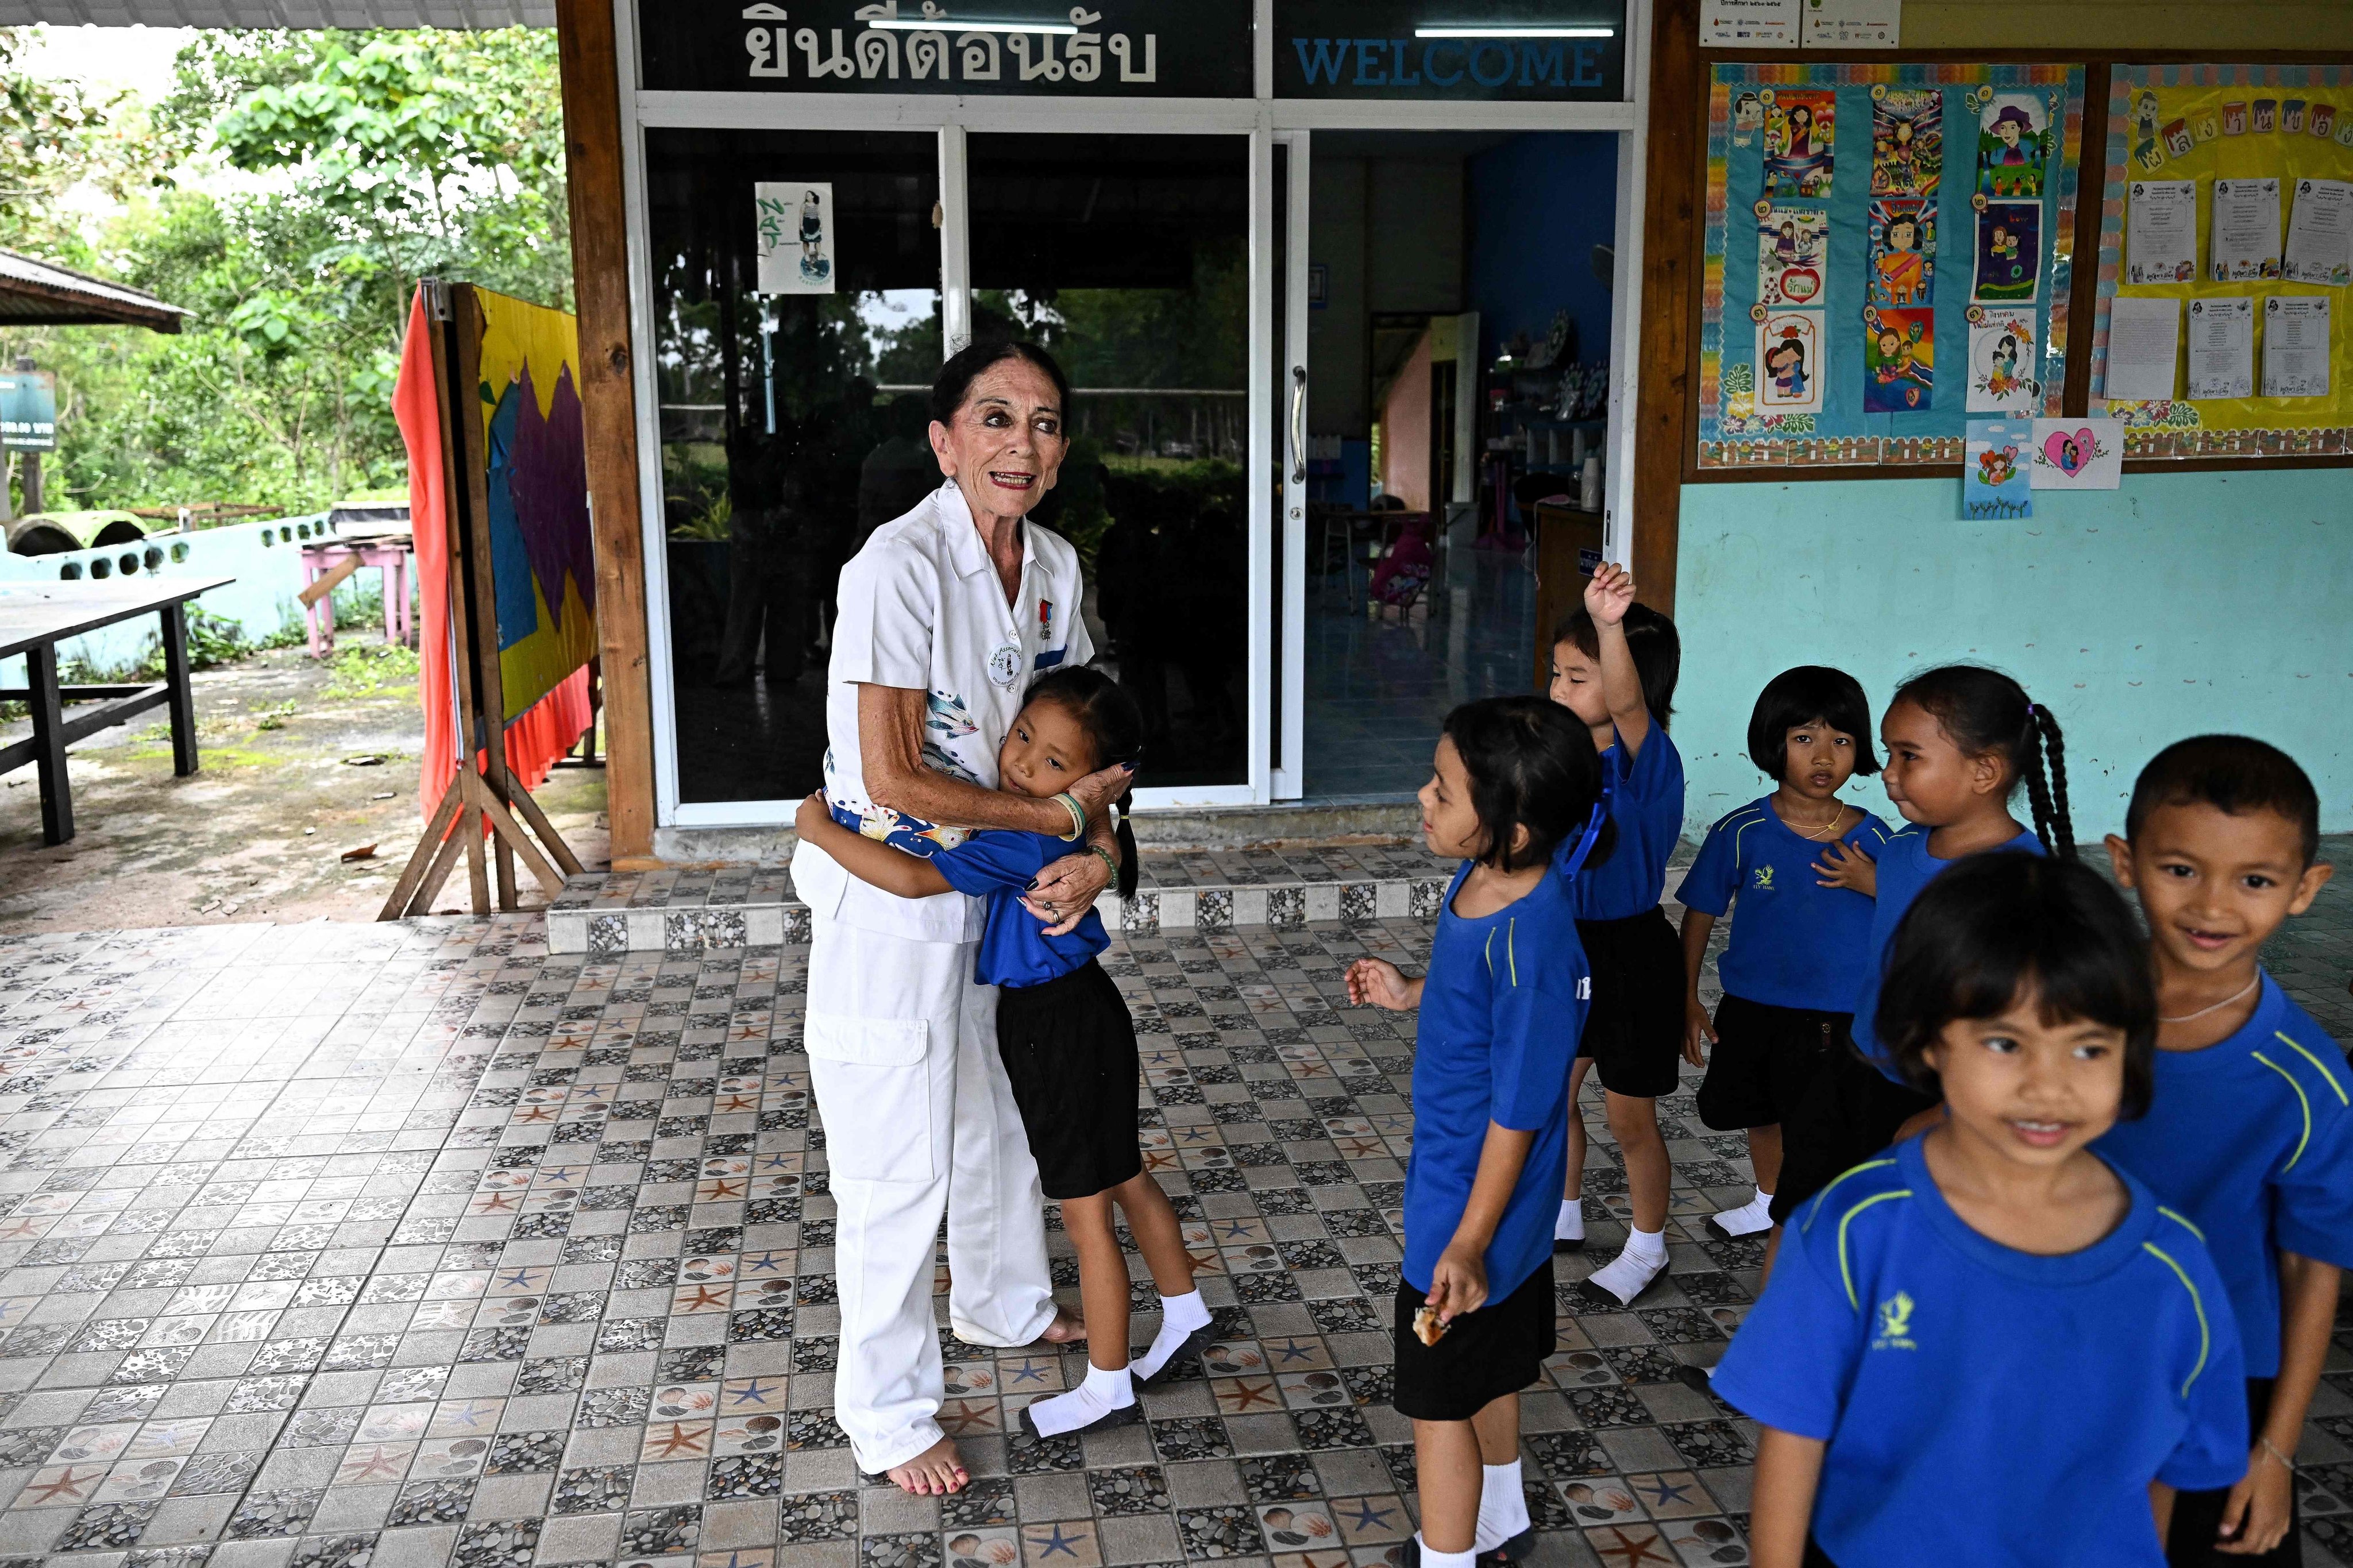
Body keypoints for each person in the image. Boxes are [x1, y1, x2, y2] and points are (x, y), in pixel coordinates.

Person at [792, 339, 1133, 1496]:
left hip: (999, 895)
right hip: (894, 899)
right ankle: (885, 1416)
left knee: (1000, 1115)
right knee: (893, 1163)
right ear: (944, 443)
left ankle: (1002, 1308)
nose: (1020, 444)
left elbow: (1094, 748)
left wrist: (1094, 850)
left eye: (1041, 424)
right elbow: (891, 776)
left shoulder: (1053, 568)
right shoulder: (896, 567)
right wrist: (1055, 820)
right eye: (994, 419)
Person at [1718, 854, 2248, 1567]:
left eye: (2088, 1048)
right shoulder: (1854, 1231)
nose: (2048, 1087)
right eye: (2005, 1043)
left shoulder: (2173, 1265)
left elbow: (2166, 1474)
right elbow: (1792, 1437)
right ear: (1930, 1039)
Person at [794, 669, 1206, 1440]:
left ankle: (1109, 1384)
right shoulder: (1068, 819)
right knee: (1125, 1170)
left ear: (1084, 781)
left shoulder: (1023, 833)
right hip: (1093, 1009)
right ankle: (1187, 1312)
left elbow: (915, 878)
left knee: (1087, 1214)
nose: (1021, 764)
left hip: (1051, 1025)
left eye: (1051, 762)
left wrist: (821, 833)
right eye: (1021, 738)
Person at [1346, 696, 1610, 1568]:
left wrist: (1466, 1241)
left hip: (1473, 1201)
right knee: (1486, 1364)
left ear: (1516, 829)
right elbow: (1482, 1005)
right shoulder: (1488, 879)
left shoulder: (1535, 945)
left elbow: (1521, 1110)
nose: (1424, 796)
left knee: (1436, 1401)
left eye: (1446, 790)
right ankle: (1502, 1515)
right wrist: (1413, 992)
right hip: (1479, 1197)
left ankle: (1449, 1556)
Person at [2096, 736, 2351, 1566]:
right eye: (2181, 869)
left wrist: (2275, 1454)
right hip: (2064, 1340)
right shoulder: (2062, 1013)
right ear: (2126, 862)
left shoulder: (2306, 1077)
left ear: (2307, 888)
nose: (2213, 905)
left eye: (2255, 880)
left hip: (2222, 1378)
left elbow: (2313, 1265)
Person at [1769, 665, 2069, 1231]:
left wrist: (1951, 1113)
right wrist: (1872, 882)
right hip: (1860, 1063)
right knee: (1804, 1214)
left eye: (1909, 756)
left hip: (1943, 1093)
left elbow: (2030, 1016)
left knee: (1901, 1236)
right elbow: (1920, 904)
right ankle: (1784, 1317)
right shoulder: (1905, 847)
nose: (1887, 773)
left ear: (1984, 771)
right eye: (1888, 753)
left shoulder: (2021, 883)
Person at [1680, 668, 1893, 1241]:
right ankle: (1768, 1200)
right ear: (1773, 743)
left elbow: (1919, 911)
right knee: (1760, 1110)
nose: (1823, 757)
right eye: (1804, 739)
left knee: (1823, 1120)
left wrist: (1874, 883)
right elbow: (1700, 913)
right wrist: (1688, 998)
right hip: (1752, 1005)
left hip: (1837, 1012)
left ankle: (1819, 1215)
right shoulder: (1742, 831)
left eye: (1841, 741)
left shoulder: (1874, 840)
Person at [1545, 563, 1686, 1305]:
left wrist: (1609, 625)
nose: (1558, 691)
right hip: (1571, 947)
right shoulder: (1564, 760)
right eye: (1557, 675)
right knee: (1553, 1090)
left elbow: (1627, 703)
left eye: (1578, 677)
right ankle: (1563, 1213)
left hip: (1632, 951)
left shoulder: (1649, 762)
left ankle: (1647, 1245)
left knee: (1628, 1115)